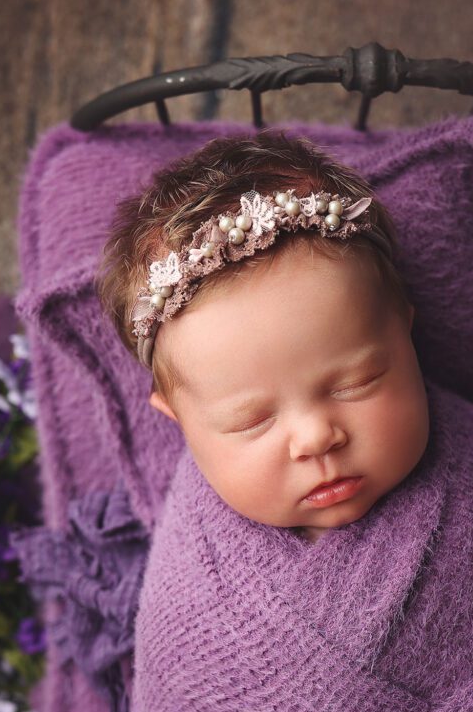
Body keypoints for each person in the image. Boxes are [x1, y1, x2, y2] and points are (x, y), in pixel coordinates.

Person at [96, 131, 430, 545]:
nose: (316, 438)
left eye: (355, 383)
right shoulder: (196, 551)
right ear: (179, 419)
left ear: (407, 333)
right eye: (251, 421)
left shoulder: (472, 472)